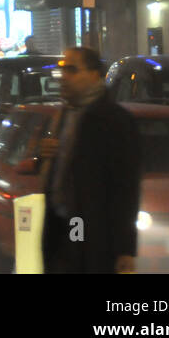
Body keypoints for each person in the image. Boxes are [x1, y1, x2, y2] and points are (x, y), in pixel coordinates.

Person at [39, 47, 140, 274]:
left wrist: (126, 249)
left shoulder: (115, 120)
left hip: (95, 238)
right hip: (59, 231)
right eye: (63, 69)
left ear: (95, 75)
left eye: (72, 70)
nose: (64, 76)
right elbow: (56, 171)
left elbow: (126, 187)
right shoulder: (61, 116)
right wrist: (43, 155)